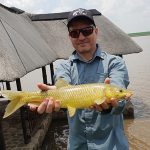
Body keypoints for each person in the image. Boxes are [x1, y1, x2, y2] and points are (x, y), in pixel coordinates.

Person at [29, 8, 131, 150]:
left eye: (87, 30)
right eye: (74, 33)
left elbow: (119, 96)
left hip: (112, 145)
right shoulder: (63, 67)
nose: (81, 37)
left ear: (96, 31)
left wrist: (109, 105)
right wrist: (53, 94)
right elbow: (61, 84)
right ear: (69, 36)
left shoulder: (115, 63)